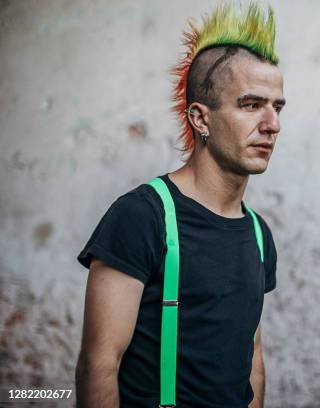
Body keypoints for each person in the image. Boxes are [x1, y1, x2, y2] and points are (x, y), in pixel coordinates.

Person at [75, 3, 285, 407]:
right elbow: (99, 365)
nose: (271, 124)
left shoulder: (259, 234)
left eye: (277, 107)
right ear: (200, 119)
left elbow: (252, 358)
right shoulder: (142, 217)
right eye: (250, 104)